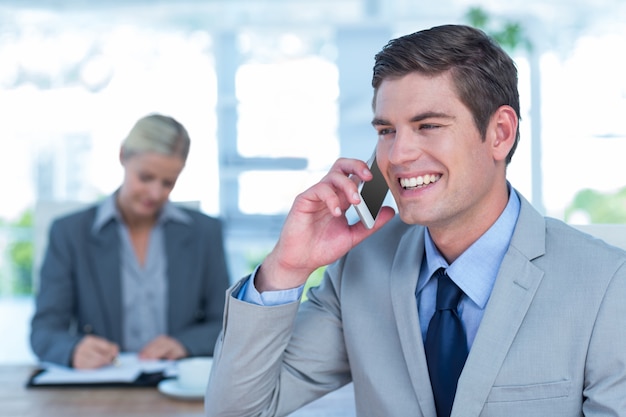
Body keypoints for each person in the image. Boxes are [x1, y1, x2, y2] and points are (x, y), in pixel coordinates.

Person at [204, 24, 626, 416]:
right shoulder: (360, 268)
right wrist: (287, 268)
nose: (398, 154)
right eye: (386, 131)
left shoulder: (607, 286)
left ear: (499, 133)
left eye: (427, 125)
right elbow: (239, 410)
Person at [30, 113, 230, 369]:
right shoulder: (70, 233)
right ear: (123, 155)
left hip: (175, 387)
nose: (155, 193)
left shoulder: (205, 232)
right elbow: (44, 331)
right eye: (145, 177)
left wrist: (184, 344)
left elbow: (224, 324)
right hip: (101, 389)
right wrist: (72, 350)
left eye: (168, 182)